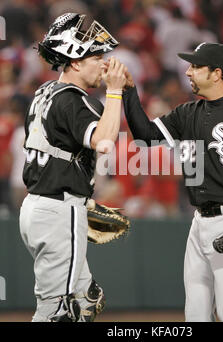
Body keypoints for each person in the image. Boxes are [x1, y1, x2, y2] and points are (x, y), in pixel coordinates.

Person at [122, 42, 223, 322]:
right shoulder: (188, 113)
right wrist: (128, 91)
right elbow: (145, 136)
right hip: (200, 222)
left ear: (216, 73)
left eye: (196, 66)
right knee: (196, 315)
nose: (188, 72)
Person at [19, 13, 126, 322]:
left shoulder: (44, 92)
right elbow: (105, 141)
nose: (104, 64)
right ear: (76, 61)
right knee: (55, 314)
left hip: (40, 207)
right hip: (57, 212)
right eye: (97, 56)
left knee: (86, 301)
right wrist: (115, 90)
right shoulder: (73, 100)